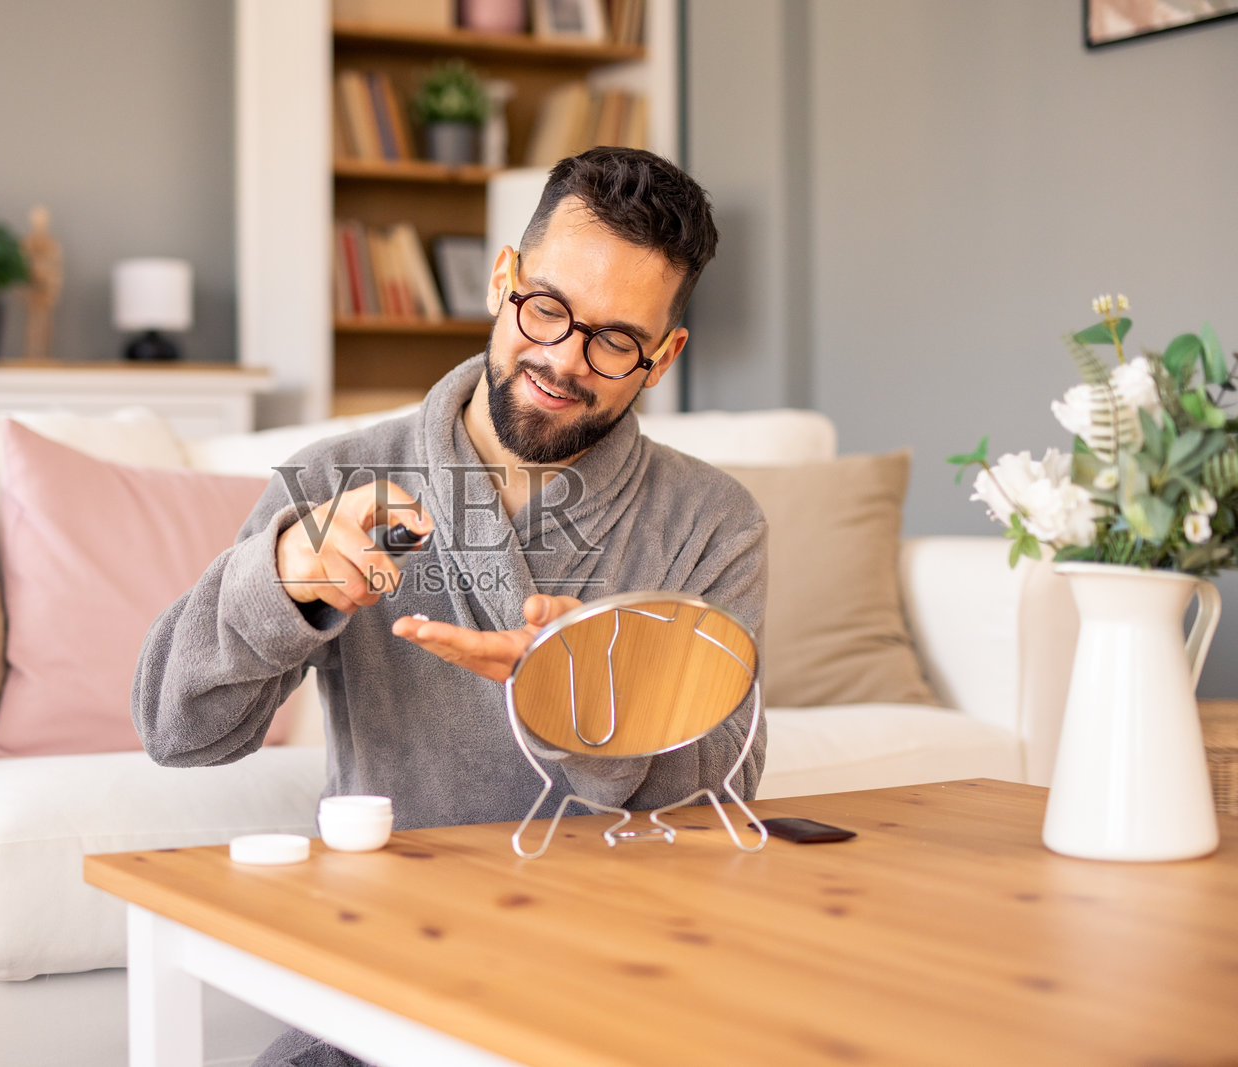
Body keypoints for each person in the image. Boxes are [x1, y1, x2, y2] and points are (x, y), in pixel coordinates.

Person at [133, 147, 766, 1067]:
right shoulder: (334, 480)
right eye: (546, 309)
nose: (561, 360)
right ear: (505, 279)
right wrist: (277, 580)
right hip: (381, 980)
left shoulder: (713, 524)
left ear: (662, 357)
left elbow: (721, 797)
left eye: (614, 340)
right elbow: (175, 727)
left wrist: (583, 695)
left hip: (616, 991)